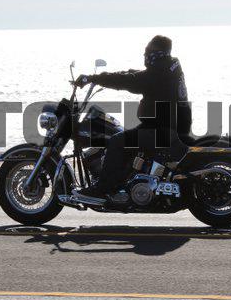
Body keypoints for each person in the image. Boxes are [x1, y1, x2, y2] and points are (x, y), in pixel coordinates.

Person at [75, 35, 191, 198]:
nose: (145, 54)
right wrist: (103, 77)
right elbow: (134, 75)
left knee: (117, 141)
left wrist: (93, 78)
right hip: (170, 126)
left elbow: (128, 80)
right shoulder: (169, 68)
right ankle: (124, 181)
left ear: (156, 54)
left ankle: (102, 189)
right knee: (126, 138)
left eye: (148, 51)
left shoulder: (158, 74)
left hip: (162, 130)